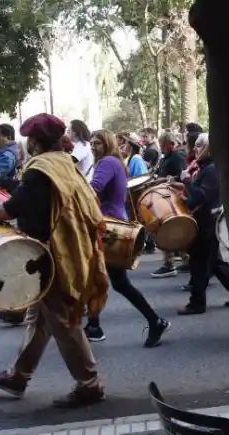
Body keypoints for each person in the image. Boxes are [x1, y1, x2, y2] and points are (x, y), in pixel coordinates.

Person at [0, 114, 108, 408]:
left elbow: (11, 208)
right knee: (39, 320)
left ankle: (89, 384)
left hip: (49, 254)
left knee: (63, 320)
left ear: (34, 141)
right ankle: (18, 376)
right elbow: (27, 194)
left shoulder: (42, 169)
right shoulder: (63, 163)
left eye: (28, 138)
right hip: (58, 249)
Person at [83, 129, 170, 346]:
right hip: (112, 225)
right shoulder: (115, 162)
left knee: (110, 281)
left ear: (108, 144)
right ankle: (94, 325)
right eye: (91, 143)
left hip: (108, 228)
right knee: (101, 279)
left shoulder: (106, 163)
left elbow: (94, 189)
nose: (93, 147)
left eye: (98, 143)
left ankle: (154, 321)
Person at [173, 134, 229, 314]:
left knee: (200, 264)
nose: (195, 149)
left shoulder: (212, 170)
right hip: (205, 221)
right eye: (195, 146)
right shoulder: (205, 168)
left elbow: (199, 197)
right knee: (214, 262)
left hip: (207, 223)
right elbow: (195, 196)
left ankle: (197, 303)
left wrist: (186, 181)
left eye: (200, 146)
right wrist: (181, 186)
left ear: (211, 148)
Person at [150, 131, 189, 277]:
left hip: (171, 199)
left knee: (164, 229)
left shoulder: (178, 157)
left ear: (171, 144)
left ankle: (169, 263)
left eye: (163, 145)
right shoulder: (168, 157)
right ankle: (185, 260)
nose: (161, 148)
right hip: (165, 197)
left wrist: (164, 180)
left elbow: (182, 178)